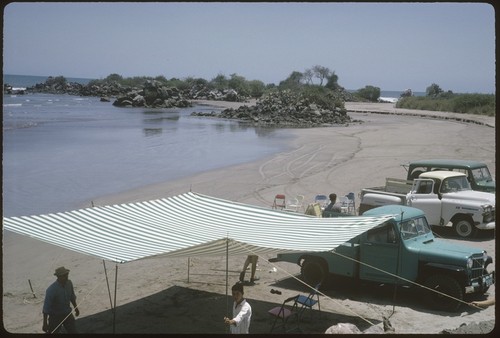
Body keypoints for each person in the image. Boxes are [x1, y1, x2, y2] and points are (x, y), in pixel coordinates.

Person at [42, 266, 79, 334]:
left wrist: (76, 308)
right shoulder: (51, 290)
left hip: (67, 313)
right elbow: (46, 308)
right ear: (58, 277)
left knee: (73, 332)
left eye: (66, 275)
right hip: (55, 316)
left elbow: (72, 297)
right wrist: (45, 323)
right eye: (63, 275)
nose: (66, 277)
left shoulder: (69, 283)